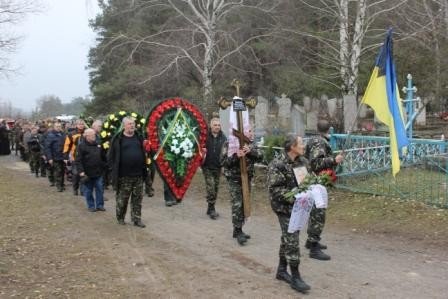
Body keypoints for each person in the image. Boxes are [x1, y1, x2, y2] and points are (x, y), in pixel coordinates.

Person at [267, 135, 311, 293]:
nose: (303, 146)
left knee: (288, 237)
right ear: (292, 147)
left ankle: (281, 270)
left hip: (299, 207)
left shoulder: (303, 162)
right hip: (283, 207)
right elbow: (276, 190)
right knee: (292, 237)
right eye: (301, 143)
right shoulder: (278, 164)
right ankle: (296, 276)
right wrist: (297, 197)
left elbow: (308, 182)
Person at [304, 119, 343, 260]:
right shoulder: (319, 142)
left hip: (315, 182)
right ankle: (313, 248)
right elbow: (316, 163)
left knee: (315, 212)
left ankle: (311, 241)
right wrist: (334, 160)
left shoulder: (315, 140)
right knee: (318, 213)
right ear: (329, 129)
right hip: (316, 182)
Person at [220, 125, 263, 245]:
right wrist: (235, 156)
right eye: (249, 131)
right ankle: (238, 230)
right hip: (234, 179)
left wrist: (250, 152)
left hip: (247, 179)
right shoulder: (229, 144)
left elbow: (261, 157)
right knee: (237, 204)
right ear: (242, 132)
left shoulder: (251, 144)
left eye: (251, 131)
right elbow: (223, 162)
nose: (251, 133)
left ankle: (238, 229)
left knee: (244, 204)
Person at [108, 117, 147, 228]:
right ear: (124, 126)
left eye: (133, 123)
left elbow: (144, 152)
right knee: (122, 199)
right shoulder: (118, 139)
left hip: (138, 175)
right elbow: (110, 157)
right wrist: (112, 172)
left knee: (137, 199)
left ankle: (136, 219)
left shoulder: (139, 137)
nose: (132, 126)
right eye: (129, 124)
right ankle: (120, 217)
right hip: (124, 176)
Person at [76, 128, 107, 212]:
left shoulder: (99, 144)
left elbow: (103, 157)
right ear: (86, 136)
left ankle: (100, 205)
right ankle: (91, 205)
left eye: (94, 134)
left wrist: (105, 166)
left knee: (100, 189)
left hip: (98, 172)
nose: (94, 136)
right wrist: (81, 172)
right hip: (87, 173)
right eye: (92, 135)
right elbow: (78, 160)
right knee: (88, 190)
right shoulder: (81, 146)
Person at [202, 117, 227, 219]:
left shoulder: (223, 138)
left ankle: (210, 207)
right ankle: (212, 209)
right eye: (215, 125)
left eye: (218, 125)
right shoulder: (205, 136)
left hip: (218, 167)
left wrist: (224, 166)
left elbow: (225, 154)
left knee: (215, 189)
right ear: (211, 126)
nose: (217, 127)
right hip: (207, 166)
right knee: (211, 187)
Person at [63, 119, 85, 196]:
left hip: (85, 157)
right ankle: (75, 188)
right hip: (74, 156)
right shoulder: (71, 134)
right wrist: (65, 157)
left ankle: (83, 190)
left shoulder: (87, 133)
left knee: (83, 174)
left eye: (82, 124)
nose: (81, 125)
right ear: (76, 125)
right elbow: (67, 146)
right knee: (75, 174)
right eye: (79, 124)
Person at [44, 122, 66, 192]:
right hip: (55, 156)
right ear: (54, 127)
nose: (58, 128)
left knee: (62, 171)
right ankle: (59, 185)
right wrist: (49, 158)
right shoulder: (51, 135)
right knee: (58, 171)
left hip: (63, 156)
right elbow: (47, 147)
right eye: (57, 126)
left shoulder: (63, 134)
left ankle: (62, 184)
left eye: (59, 126)